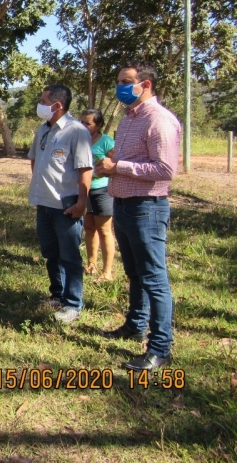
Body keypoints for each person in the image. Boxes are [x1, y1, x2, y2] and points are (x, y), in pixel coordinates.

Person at [96, 64, 181, 371]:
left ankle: (160, 347)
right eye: (118, 81)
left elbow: (166, 169)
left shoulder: (159, 120)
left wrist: (118, 167)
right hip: (124, 204)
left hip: (147, 207)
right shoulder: (129, 119)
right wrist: (110, 164)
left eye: (125, 82)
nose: (120, 87)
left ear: (145, 84)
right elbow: (125, 158)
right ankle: (135, 324)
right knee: (134, 272)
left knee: (154, 279)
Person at [28, 84, 93, 323]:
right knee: (51, 253)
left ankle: (73, 303)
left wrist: (82, 203)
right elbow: (35, 160)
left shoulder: (76, 131)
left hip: (65, 204)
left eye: (44, 100)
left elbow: (86, 169)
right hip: (44, 203)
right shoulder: (43, 129)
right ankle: (57, 295)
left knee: (69, 255)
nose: (40, 104)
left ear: (57, 105)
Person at [80, 108, 116, 282]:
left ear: (99, 125)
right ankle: (91, 264)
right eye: (82, 122)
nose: (84, 126)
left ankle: (107, 272)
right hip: (85, 189)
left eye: (88, 123)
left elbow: (116, 163)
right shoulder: (79, 140)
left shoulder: (106, 142)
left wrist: (106, 172)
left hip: (103, 190)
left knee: (104, 230)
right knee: (89, 228)